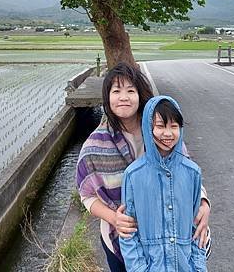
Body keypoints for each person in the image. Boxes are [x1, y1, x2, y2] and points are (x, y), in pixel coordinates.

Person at [76, 63, 211, 272]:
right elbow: (86, 195)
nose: (123, 97)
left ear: (140, 95)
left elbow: (184, 172)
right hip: (122, 238)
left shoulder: (162, 131)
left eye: (131, 90)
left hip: (169, 236)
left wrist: (203, 203)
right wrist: (114, 218)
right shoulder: (95, 146)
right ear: (107, 98)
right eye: (116, 91)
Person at [120, 95, 207, 271]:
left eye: (174, 126)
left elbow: (198, 229)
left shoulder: (193, 172)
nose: (168, 133)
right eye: (160, 126)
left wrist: (198, 267)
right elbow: (128, 233)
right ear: (148, 128)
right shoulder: (133, 175)